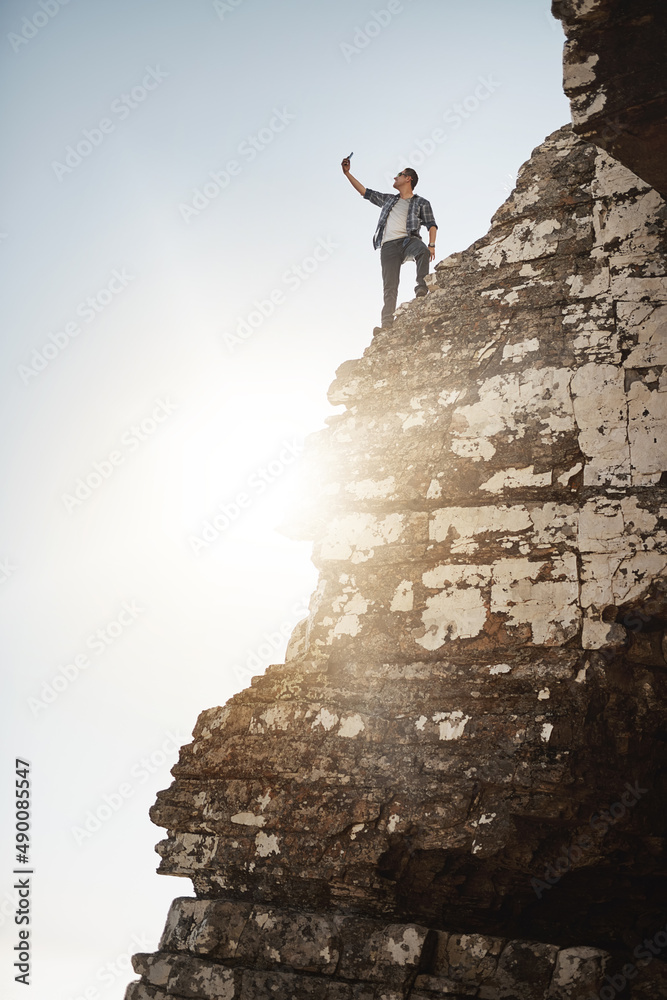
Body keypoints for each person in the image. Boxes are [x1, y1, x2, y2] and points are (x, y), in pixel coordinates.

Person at [341, 157, 438, 331]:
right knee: (390, 286)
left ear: (408, 178)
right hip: (388, 247)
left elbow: (431, 224)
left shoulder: (422, 202)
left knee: (422, 250)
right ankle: (386, 324)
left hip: (409, 241)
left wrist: (432, 244)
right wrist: (347, 173)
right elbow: (364, 192)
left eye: (399, 175)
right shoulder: (389, 200)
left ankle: (421, 289)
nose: (395, 178)